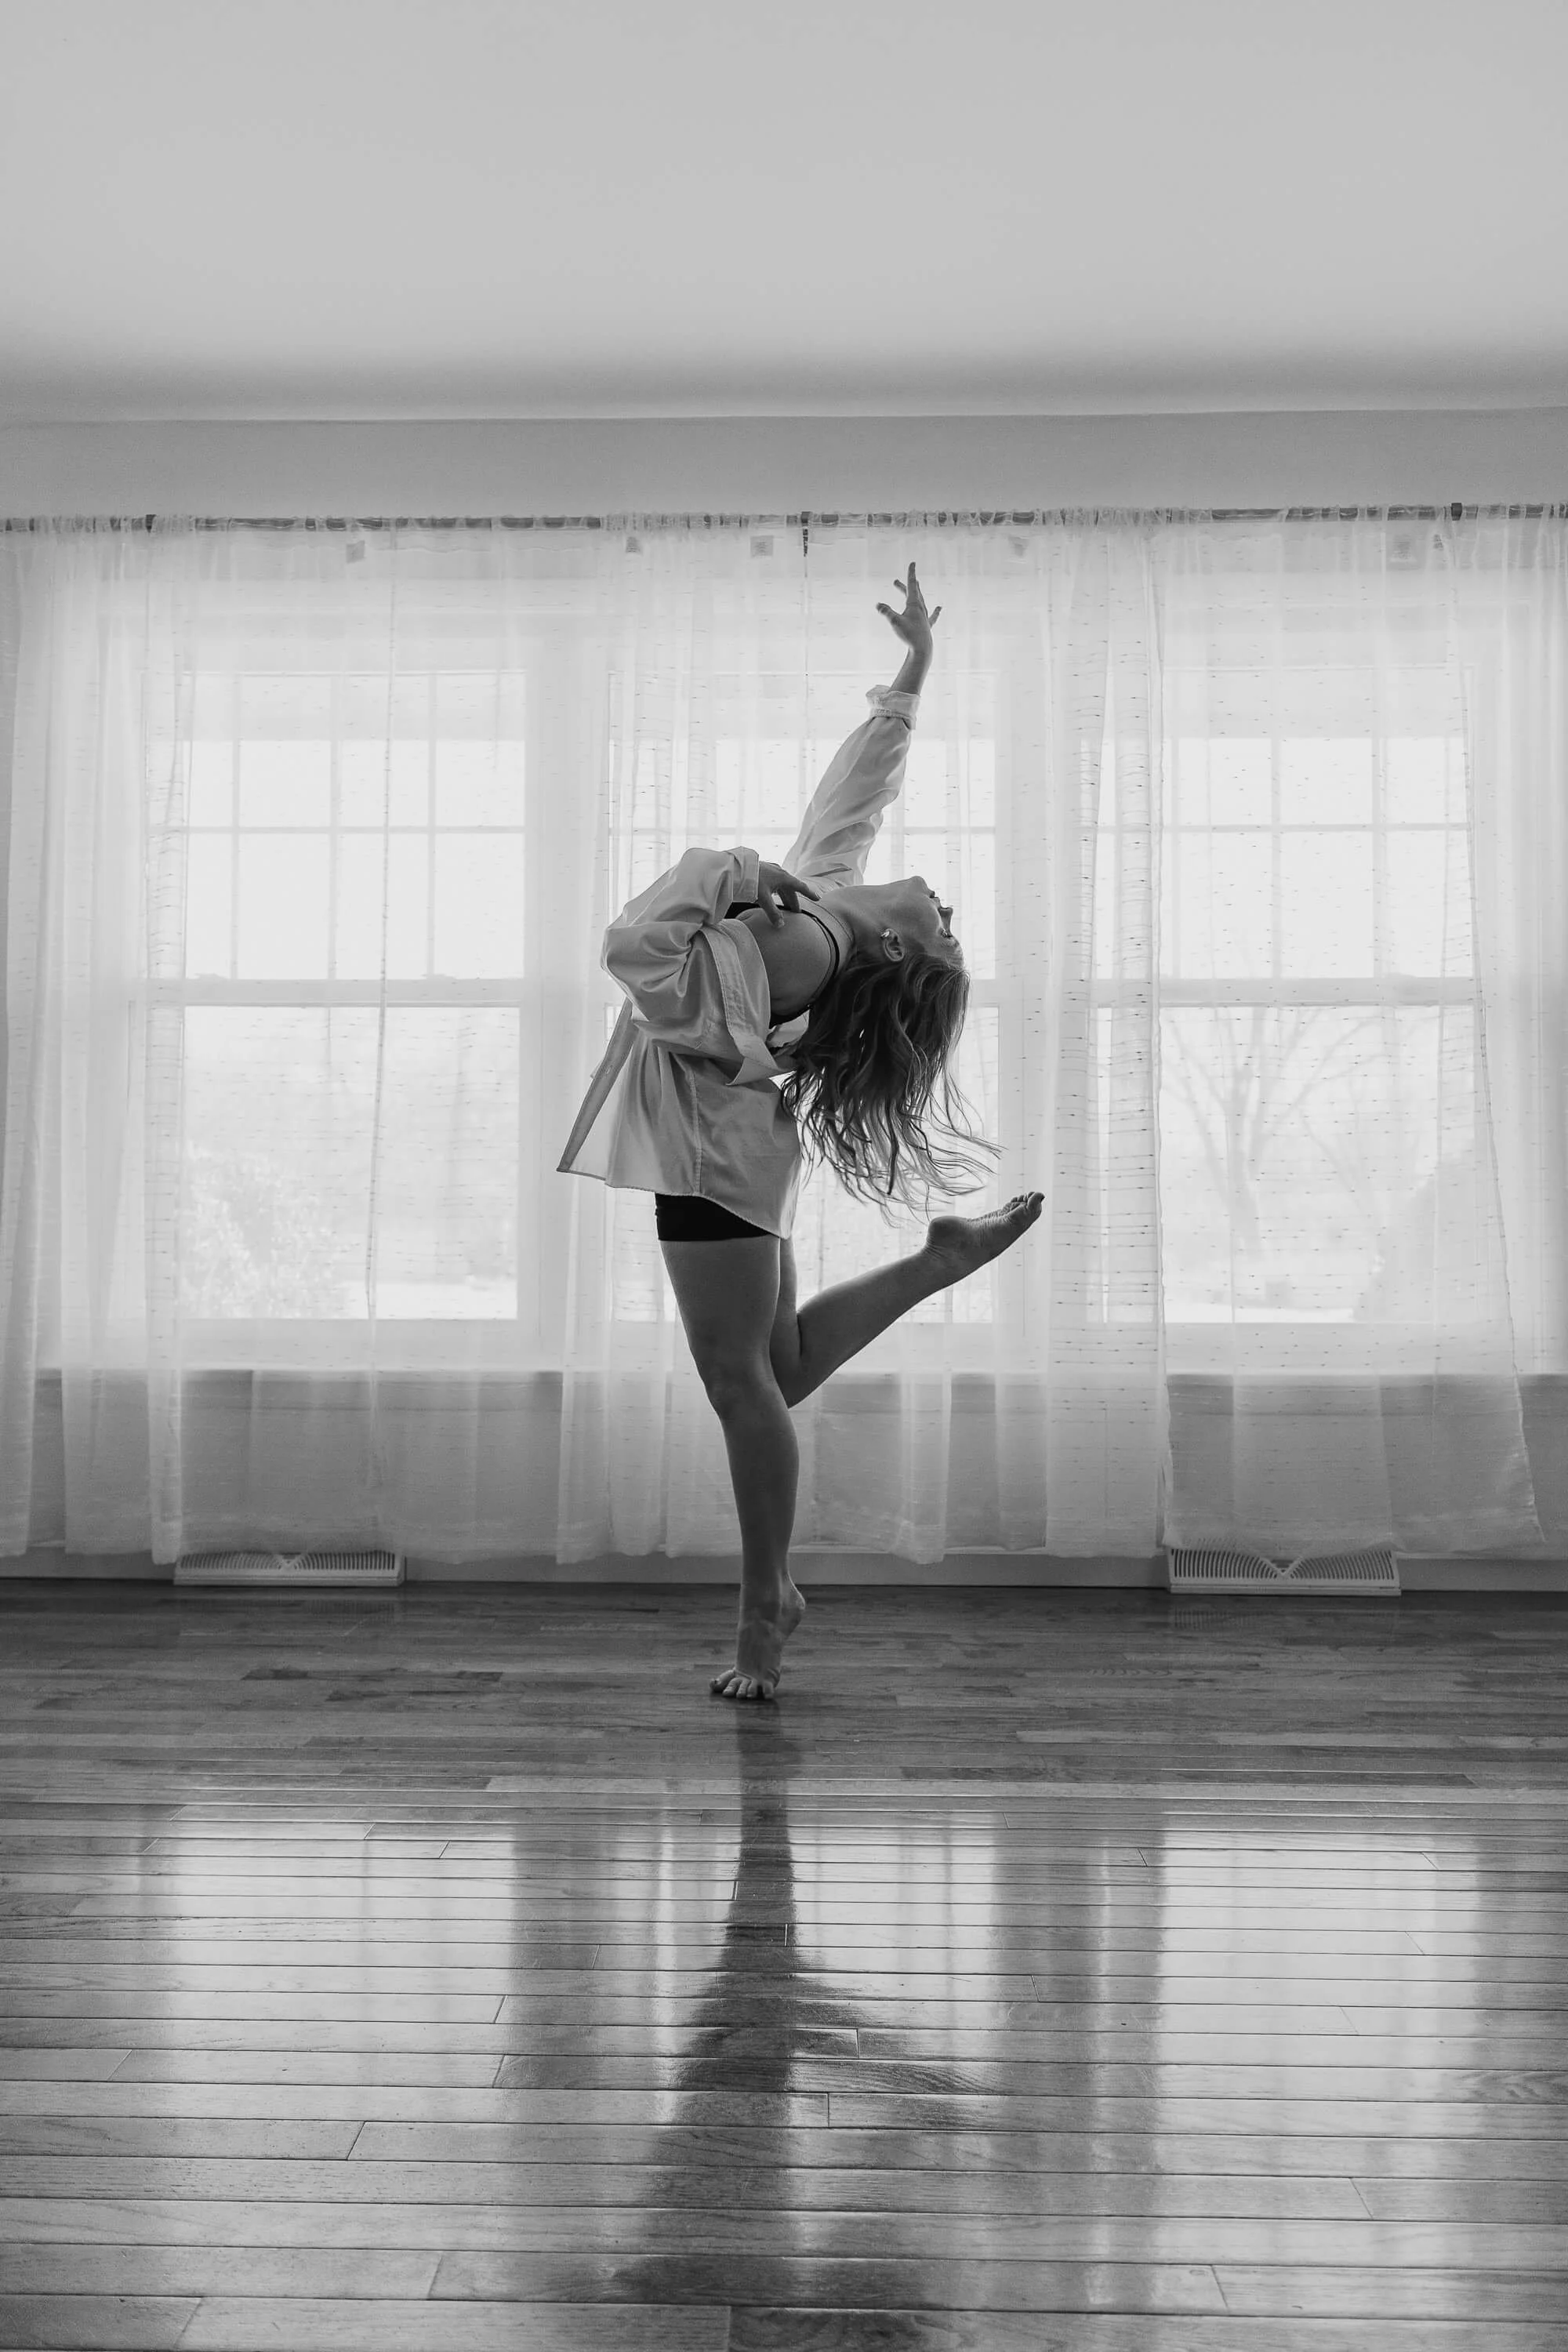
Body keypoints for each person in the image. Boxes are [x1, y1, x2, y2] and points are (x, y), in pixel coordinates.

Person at [559, 564, 1043, 1699]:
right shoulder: (826, 902)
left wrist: (728, 867)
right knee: (770, 1368)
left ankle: (766, 1597)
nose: (951, 912)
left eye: (950, 936)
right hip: (736, 1149)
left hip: (715, 1154)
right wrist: (914, 674)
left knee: (742, 1383)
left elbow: (639, 958)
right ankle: (937, 1265)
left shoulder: (808, 946)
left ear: (896, 948)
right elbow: (854, 797)